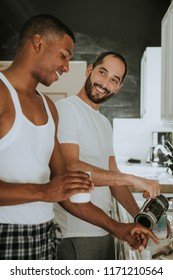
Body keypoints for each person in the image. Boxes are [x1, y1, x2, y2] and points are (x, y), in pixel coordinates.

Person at [0, 14, 93, 260]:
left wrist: (119, 228)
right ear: (38, 43)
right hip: (6, 236)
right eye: (64, 55)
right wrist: (45, 192)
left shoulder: (50, 108)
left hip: (45, 234)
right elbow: (50, 190)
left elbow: (61, 188)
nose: (66, 67)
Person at [54, 51, 160, 260]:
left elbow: (113, 176)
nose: (105, 83)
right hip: (76, 232)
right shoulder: (66, 110)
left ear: (118, 88)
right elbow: (71, 166)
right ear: (89, 70)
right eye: (102, 73)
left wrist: (139, 218)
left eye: (114, 80)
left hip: (103, 229)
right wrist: (131, 179)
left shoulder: (103, 122)